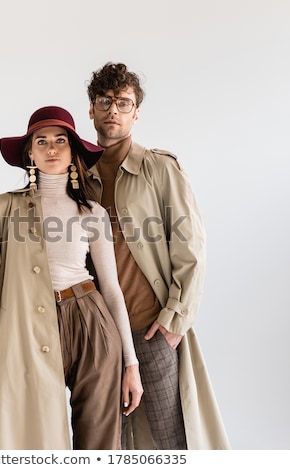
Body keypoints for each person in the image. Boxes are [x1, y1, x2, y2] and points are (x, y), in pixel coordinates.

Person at [0, 105, 143, 450]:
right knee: (36, 435)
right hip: (28, 326)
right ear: (30, 153)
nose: (52, 148)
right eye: (41, 142)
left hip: (91, 320)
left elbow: (112, 289)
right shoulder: (2, 209)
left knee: (99, 439)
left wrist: (130, 364)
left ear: (73, 151)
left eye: (60, 140)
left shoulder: (92, 212)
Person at [85, 62, 230, 450]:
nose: (112, 110)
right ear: (91, 110)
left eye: (123, 102)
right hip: (101, 335)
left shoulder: (160, 168)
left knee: (170, 439)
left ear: (136, 113)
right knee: (106, 441)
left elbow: (191, 248)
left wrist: (174, 320)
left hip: (152, 327)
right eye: (104, 101)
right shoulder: (79, 175)